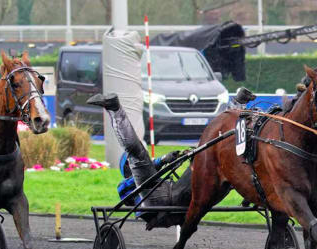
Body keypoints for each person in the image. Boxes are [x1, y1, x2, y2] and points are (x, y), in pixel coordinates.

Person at [87, 88, 256, 229]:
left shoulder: (153, 177)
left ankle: (237, 104)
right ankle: (115, 108)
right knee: (136, 152)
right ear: (127, 169)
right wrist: (162, 160)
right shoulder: (124, 187)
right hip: (157, 201)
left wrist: (172, 159)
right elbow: (137, 178)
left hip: (173, 195)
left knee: (211, 144)